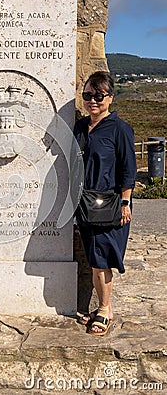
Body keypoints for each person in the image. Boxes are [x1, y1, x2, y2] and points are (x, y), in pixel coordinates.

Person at [74, 71, 136, 336]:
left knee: (102, 259)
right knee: (94, 256)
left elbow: (128, 169)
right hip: (85, 203)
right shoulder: (80, 126)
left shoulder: (120, 129)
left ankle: (104, 310)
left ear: (110, 98)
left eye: (99, 96)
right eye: (88, 95)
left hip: (110, 203)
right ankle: (104, 308)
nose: (93, 101)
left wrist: (126, 202)